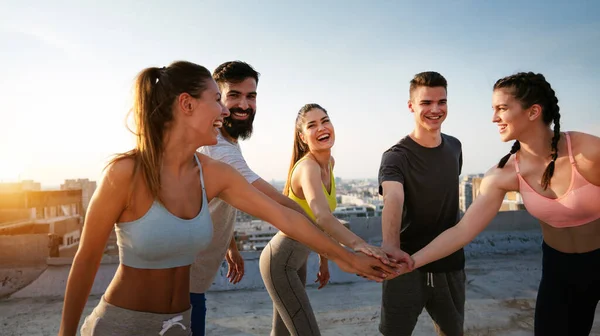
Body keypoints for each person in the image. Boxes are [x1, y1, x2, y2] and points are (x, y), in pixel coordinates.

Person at [57, 61, 399, 336]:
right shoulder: (124, 174)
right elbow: (85, 260)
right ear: (187, 105)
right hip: (123, 325)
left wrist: (346, 258)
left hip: (183, 321)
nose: (224, 111)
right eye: (217, 100)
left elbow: (285, 216)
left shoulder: (214, 173)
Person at [188, 61, 396, 335]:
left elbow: (216, 198)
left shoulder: (225, 145)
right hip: (183, 286)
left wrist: (231, 246)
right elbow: (281, 206)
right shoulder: (221, 152)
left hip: (195, 282)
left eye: (251, 96)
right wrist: (349, 253)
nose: (244, 104)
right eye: (233, 95)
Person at [404, 71, 600, 336]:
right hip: (559, 272)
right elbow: (463, 231)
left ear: (532, 112)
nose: (494, 117)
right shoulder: (503, 174)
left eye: (502, 108)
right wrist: (411, 262)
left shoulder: (587, 152)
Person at [259, 103, 399, 336]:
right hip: (280, 262)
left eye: (325, 120)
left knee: (282, 333)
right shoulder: (307, 168)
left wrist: (324, 261)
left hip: (298, 260)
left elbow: (318, 219)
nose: (322, 127)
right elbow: (322, 216)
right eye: (312, 125)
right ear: (303, 138)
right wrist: (357, 244)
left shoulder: (329, 164)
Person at [377, 71, 465, 336]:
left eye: (442, 102)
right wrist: (390, 246)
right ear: (411, 106)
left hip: (451, 265)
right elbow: (393, 196)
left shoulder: (455, 147)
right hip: (405, 266)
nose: (435, 109)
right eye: (426, 103)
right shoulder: (395, 156)